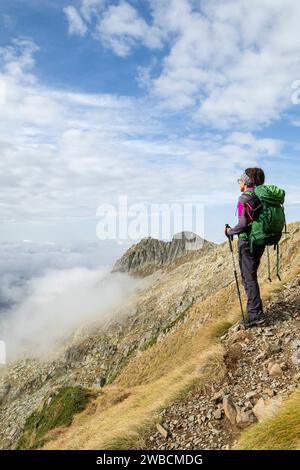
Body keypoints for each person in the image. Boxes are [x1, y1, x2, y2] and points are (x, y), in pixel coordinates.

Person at [225, 168, 266, 327]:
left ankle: (256, 316)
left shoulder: (244, 198)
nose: (239, 183)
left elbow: (242, 224)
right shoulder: (261, 196)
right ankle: (255, 311)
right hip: (259, 241)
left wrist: (230, 231)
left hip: (247, 243)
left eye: (240, 180)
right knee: (251, 277)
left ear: (246, 181)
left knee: (248, 279)